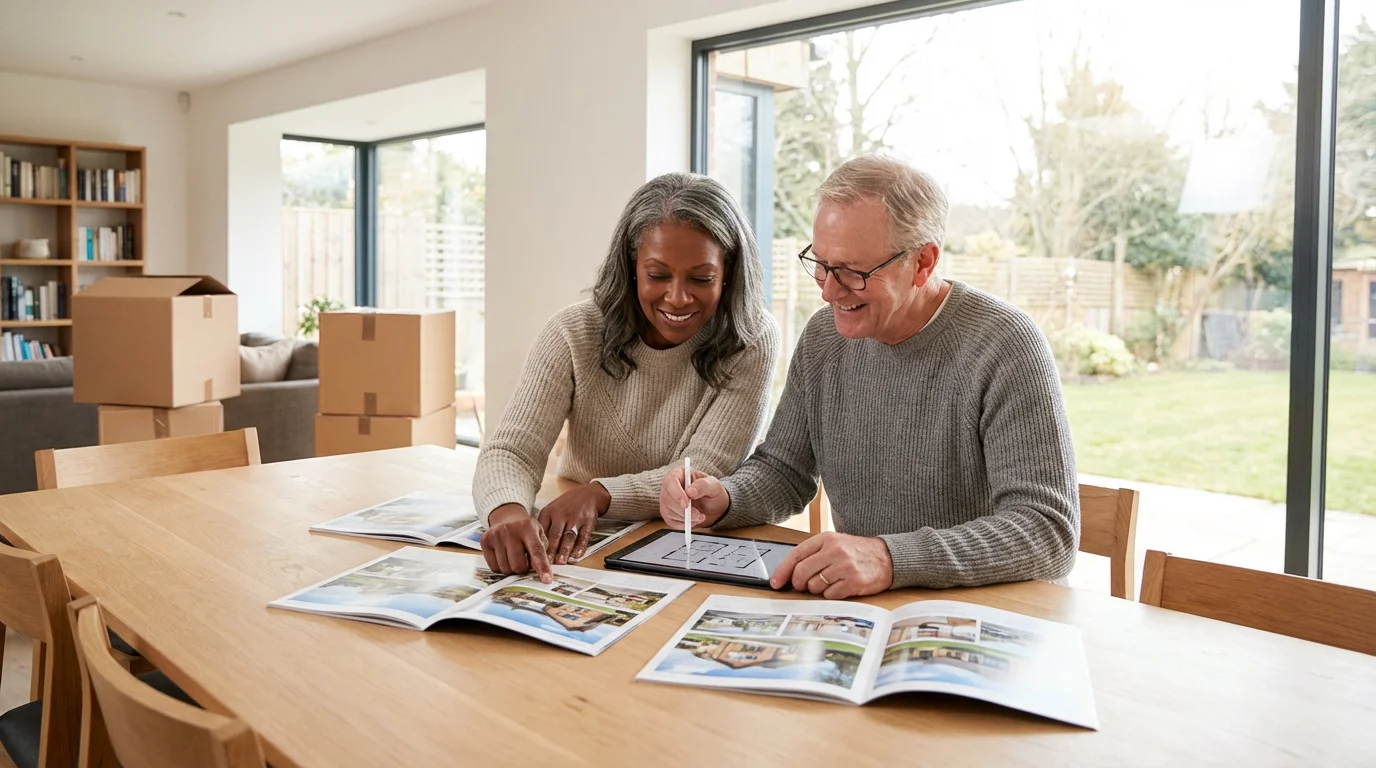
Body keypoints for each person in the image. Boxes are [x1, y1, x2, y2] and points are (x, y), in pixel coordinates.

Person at [659, 155, 1079, 597]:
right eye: (820, 264)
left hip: (990, 613)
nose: (827, 290)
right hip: (869, 607)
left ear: (923, 263)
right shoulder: (825, 337)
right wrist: (724, 498)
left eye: (852, 273)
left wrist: (888, 558)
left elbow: (1047, 531)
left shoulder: (1005, 344)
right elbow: (784, 471)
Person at [473, 172, 779, 582]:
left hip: (681, 542)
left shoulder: (752, 338)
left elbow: (706, 470)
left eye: (701, 279)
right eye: (657, 275)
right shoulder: (572, 332)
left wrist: (600, 494)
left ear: (729, 273)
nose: (677, 297)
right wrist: (508, 513)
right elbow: (511, 450)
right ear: (631, 266)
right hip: (582, 539)